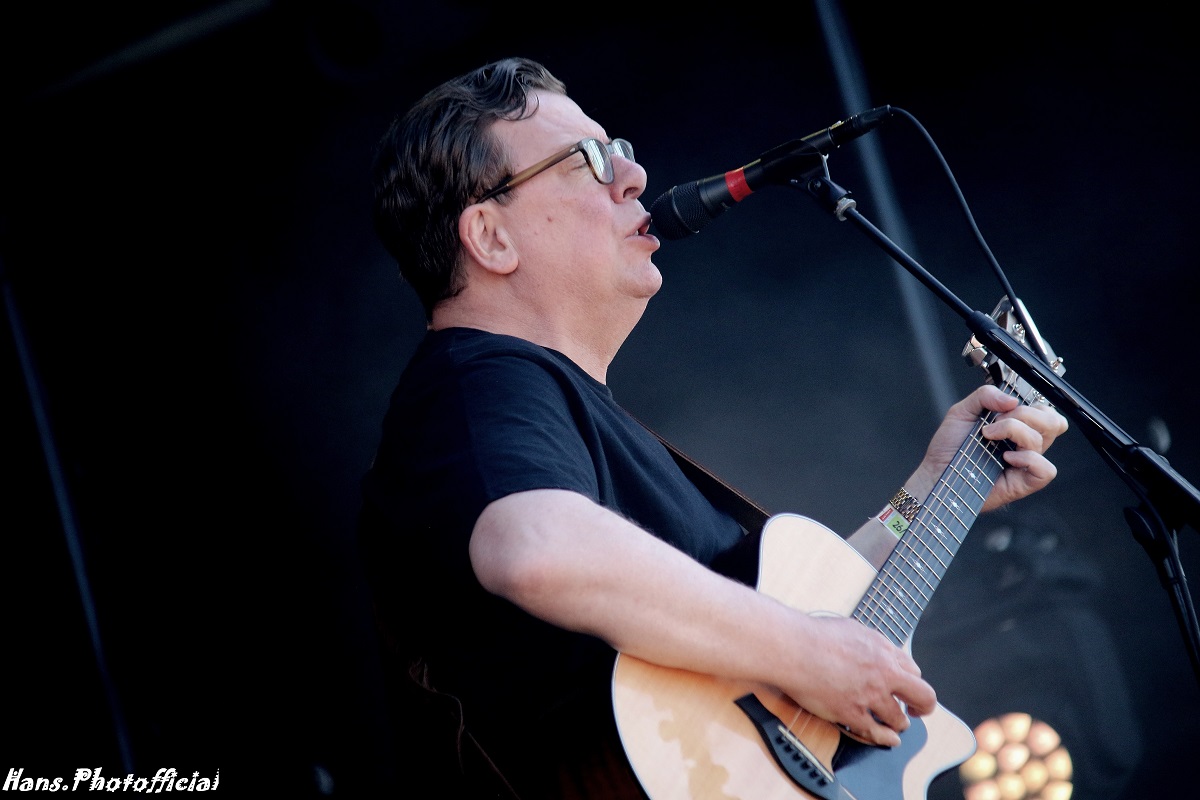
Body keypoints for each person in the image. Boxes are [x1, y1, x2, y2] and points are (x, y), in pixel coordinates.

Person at [357, 56, 1068, 799]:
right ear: (491, 237)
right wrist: (807, 653)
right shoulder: (480, 379)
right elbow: (536, 550)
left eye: (621, 150)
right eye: (588, 159)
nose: (632, 177)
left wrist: (933, 487)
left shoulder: (555, 409)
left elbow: (810, 629)